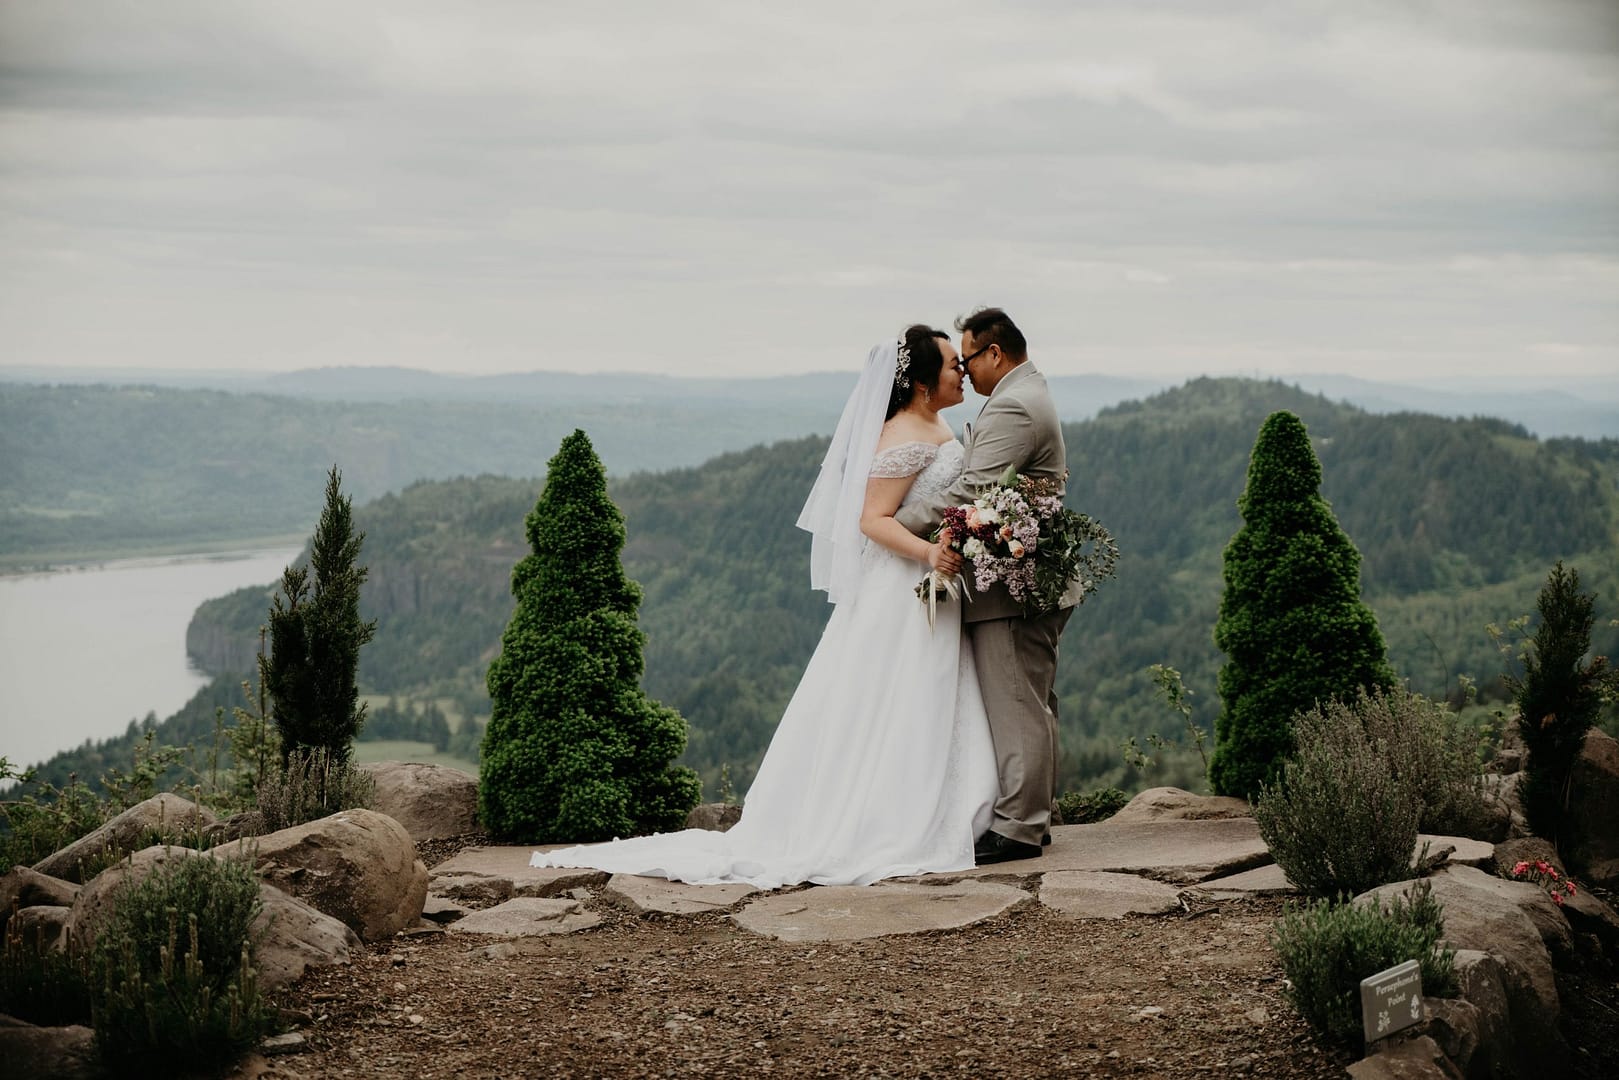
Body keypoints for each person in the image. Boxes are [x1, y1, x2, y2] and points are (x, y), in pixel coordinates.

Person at [530, 325, 998, 889]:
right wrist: (931, 554)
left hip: (925, 584)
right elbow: (871, 521)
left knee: (927, 691)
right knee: (893, 695)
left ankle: (952, 805)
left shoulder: (936, 421)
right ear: (924, 384)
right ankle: (885, 817)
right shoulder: (904, 435)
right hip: (901, 586)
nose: (962, 371)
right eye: (953, 364)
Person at [895, 307, 1081, 865]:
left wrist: (891, 524)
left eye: (968, 358)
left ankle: (1019, 827)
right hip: (1022, 579)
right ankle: (1034, 815)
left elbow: (973, 492)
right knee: (1032, 701)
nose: (966, 373)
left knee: (1017, 702)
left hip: (1011, 588)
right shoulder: (1024, 394)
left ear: (994, 353)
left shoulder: (1014, 405)